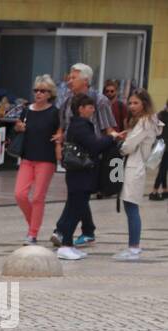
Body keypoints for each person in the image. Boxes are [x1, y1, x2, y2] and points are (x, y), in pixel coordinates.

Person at [52, 63, 117, 247]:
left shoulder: (100, 101)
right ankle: (85, 231)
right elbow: (62, 127)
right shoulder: (67, 99)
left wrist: (110, 147)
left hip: (92, 156)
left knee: (79, 194)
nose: (69, 81)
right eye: (69, 77)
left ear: (86, 81)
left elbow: (108, 129)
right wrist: (59, 145)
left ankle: (63, 231)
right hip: (72, 156)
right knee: (78, 194)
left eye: (74, 78)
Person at [113, 90, 163, 262]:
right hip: (134, 166)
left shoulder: (144, 121)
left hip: (134, 167)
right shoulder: (147, 121)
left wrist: (120, 145)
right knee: (130, 206)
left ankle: (134, 247)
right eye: (130, 103)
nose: (132, 106)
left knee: (131, 207)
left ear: (144, 104)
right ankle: (133, 246)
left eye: (136, 103)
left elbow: (129, 146)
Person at [12, 75, 61, 243]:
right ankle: (33, 224)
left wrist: (60, 139)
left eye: (43, 91)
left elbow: (60, 131)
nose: (38, 93)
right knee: (19, 194)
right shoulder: (27, 110)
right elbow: (17, 128)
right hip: (27, 157)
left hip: (46, 159)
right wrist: (18, 128)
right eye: (36, 90)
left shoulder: (54, 112)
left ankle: (32, 233)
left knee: (38, 197)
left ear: (50, 94)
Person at [151, 104, 168, 201]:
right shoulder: (162, 116)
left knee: (163, 168)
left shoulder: (160, 115)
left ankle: (165, 190)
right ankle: (154, 191)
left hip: (159, 145)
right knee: (163, 169)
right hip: (166, 147)